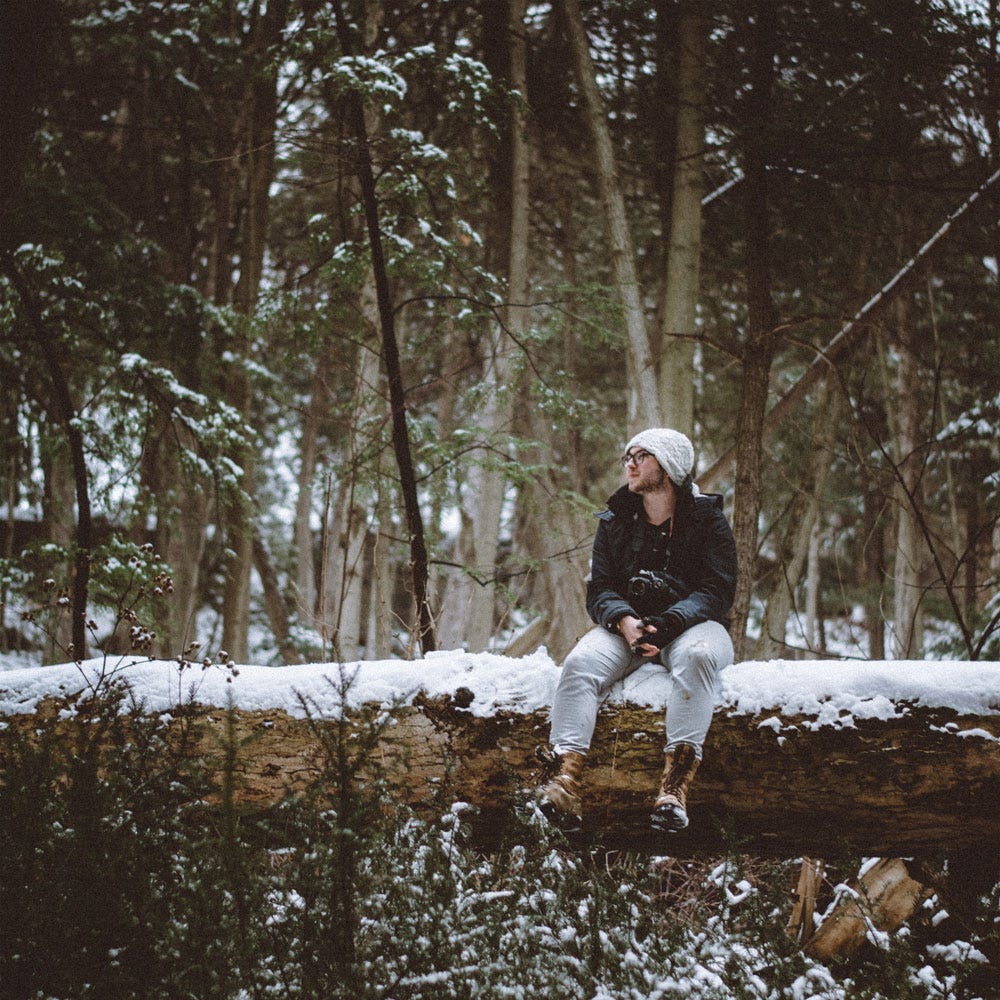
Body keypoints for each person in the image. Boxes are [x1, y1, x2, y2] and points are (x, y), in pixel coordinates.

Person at [538, 427, 737, 833]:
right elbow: (600, 588)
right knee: (579, 665)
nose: (629, 463)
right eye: (628, 455)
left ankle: (674, 790)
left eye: (641, 455)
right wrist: (624, 621)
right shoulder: (615, 519)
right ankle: (563, 781)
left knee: (698, 658)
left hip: (692, 626)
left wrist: (670, 623)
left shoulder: (708, 521)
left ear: (669, 466)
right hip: (625, 626)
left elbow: (717, 590)